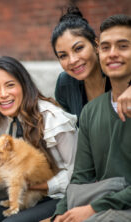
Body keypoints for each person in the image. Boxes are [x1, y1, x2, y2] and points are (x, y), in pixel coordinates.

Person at [0, 56, 78, 222]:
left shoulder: (53, 119)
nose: (3, 94)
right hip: (15, 194)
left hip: (56, 196)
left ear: (24, 85)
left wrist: (35, 185)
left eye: (10, 85)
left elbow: (78, 174)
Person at [53, 14, 131, 222]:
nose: (72, 60)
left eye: (122, 46)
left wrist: (94, 208)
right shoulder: (83, 105)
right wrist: (59, 215)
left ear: (93, 46)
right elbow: (81, 175)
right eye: (106, 48)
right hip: (104, 194)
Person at [51, 6, 131, 124]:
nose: (72, 60)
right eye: (63, 56)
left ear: (96, 44)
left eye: (78, 48)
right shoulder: (64, 84)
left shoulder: (117, 68)